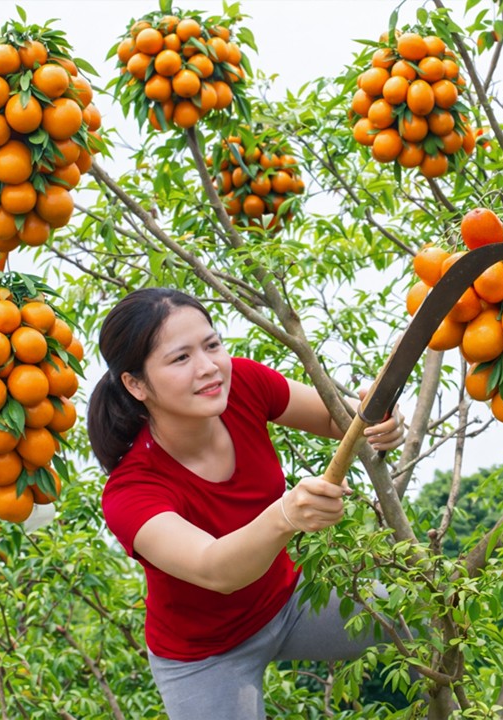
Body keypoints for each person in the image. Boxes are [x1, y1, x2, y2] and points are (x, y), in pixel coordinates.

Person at [87, 288, 405, 719]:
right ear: (135, 383)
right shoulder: (131, 491)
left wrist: (376, 421)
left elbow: (339, 418)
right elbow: (214, 569)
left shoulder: (243, 383)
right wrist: (285, 516)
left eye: (212, 345)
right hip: (205, 658)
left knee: (428, 614)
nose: (208, 368)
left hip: (291, 601)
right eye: (181, 358)